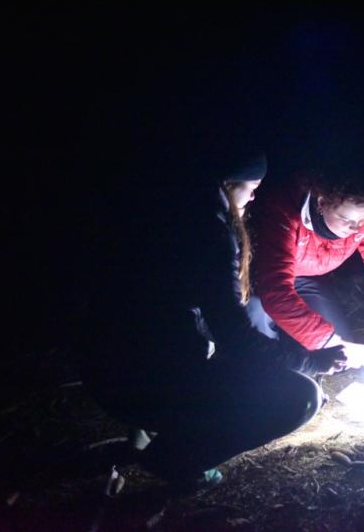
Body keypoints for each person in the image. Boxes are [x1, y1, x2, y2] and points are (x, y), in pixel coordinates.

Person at [78, 152, 345, 494]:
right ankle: (173, 458)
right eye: (252, 188)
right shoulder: (210, 233)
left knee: (245, 318)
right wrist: (310, 362)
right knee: (301, 396)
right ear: (229, 183)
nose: (254, 197)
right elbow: (236, 338)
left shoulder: (160, 209)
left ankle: (153, 431)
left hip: (103, 370)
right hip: (142, 384)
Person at [249, 156, 364, 368]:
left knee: (337, 357)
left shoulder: (363, 208)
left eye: (362, 220)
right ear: (321, 202)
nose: (355, 228)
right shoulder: (283, 210)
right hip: (259, 282)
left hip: (308, 279)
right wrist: (330, 342)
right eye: (345, 219)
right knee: (270, 354)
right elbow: (275, 290)